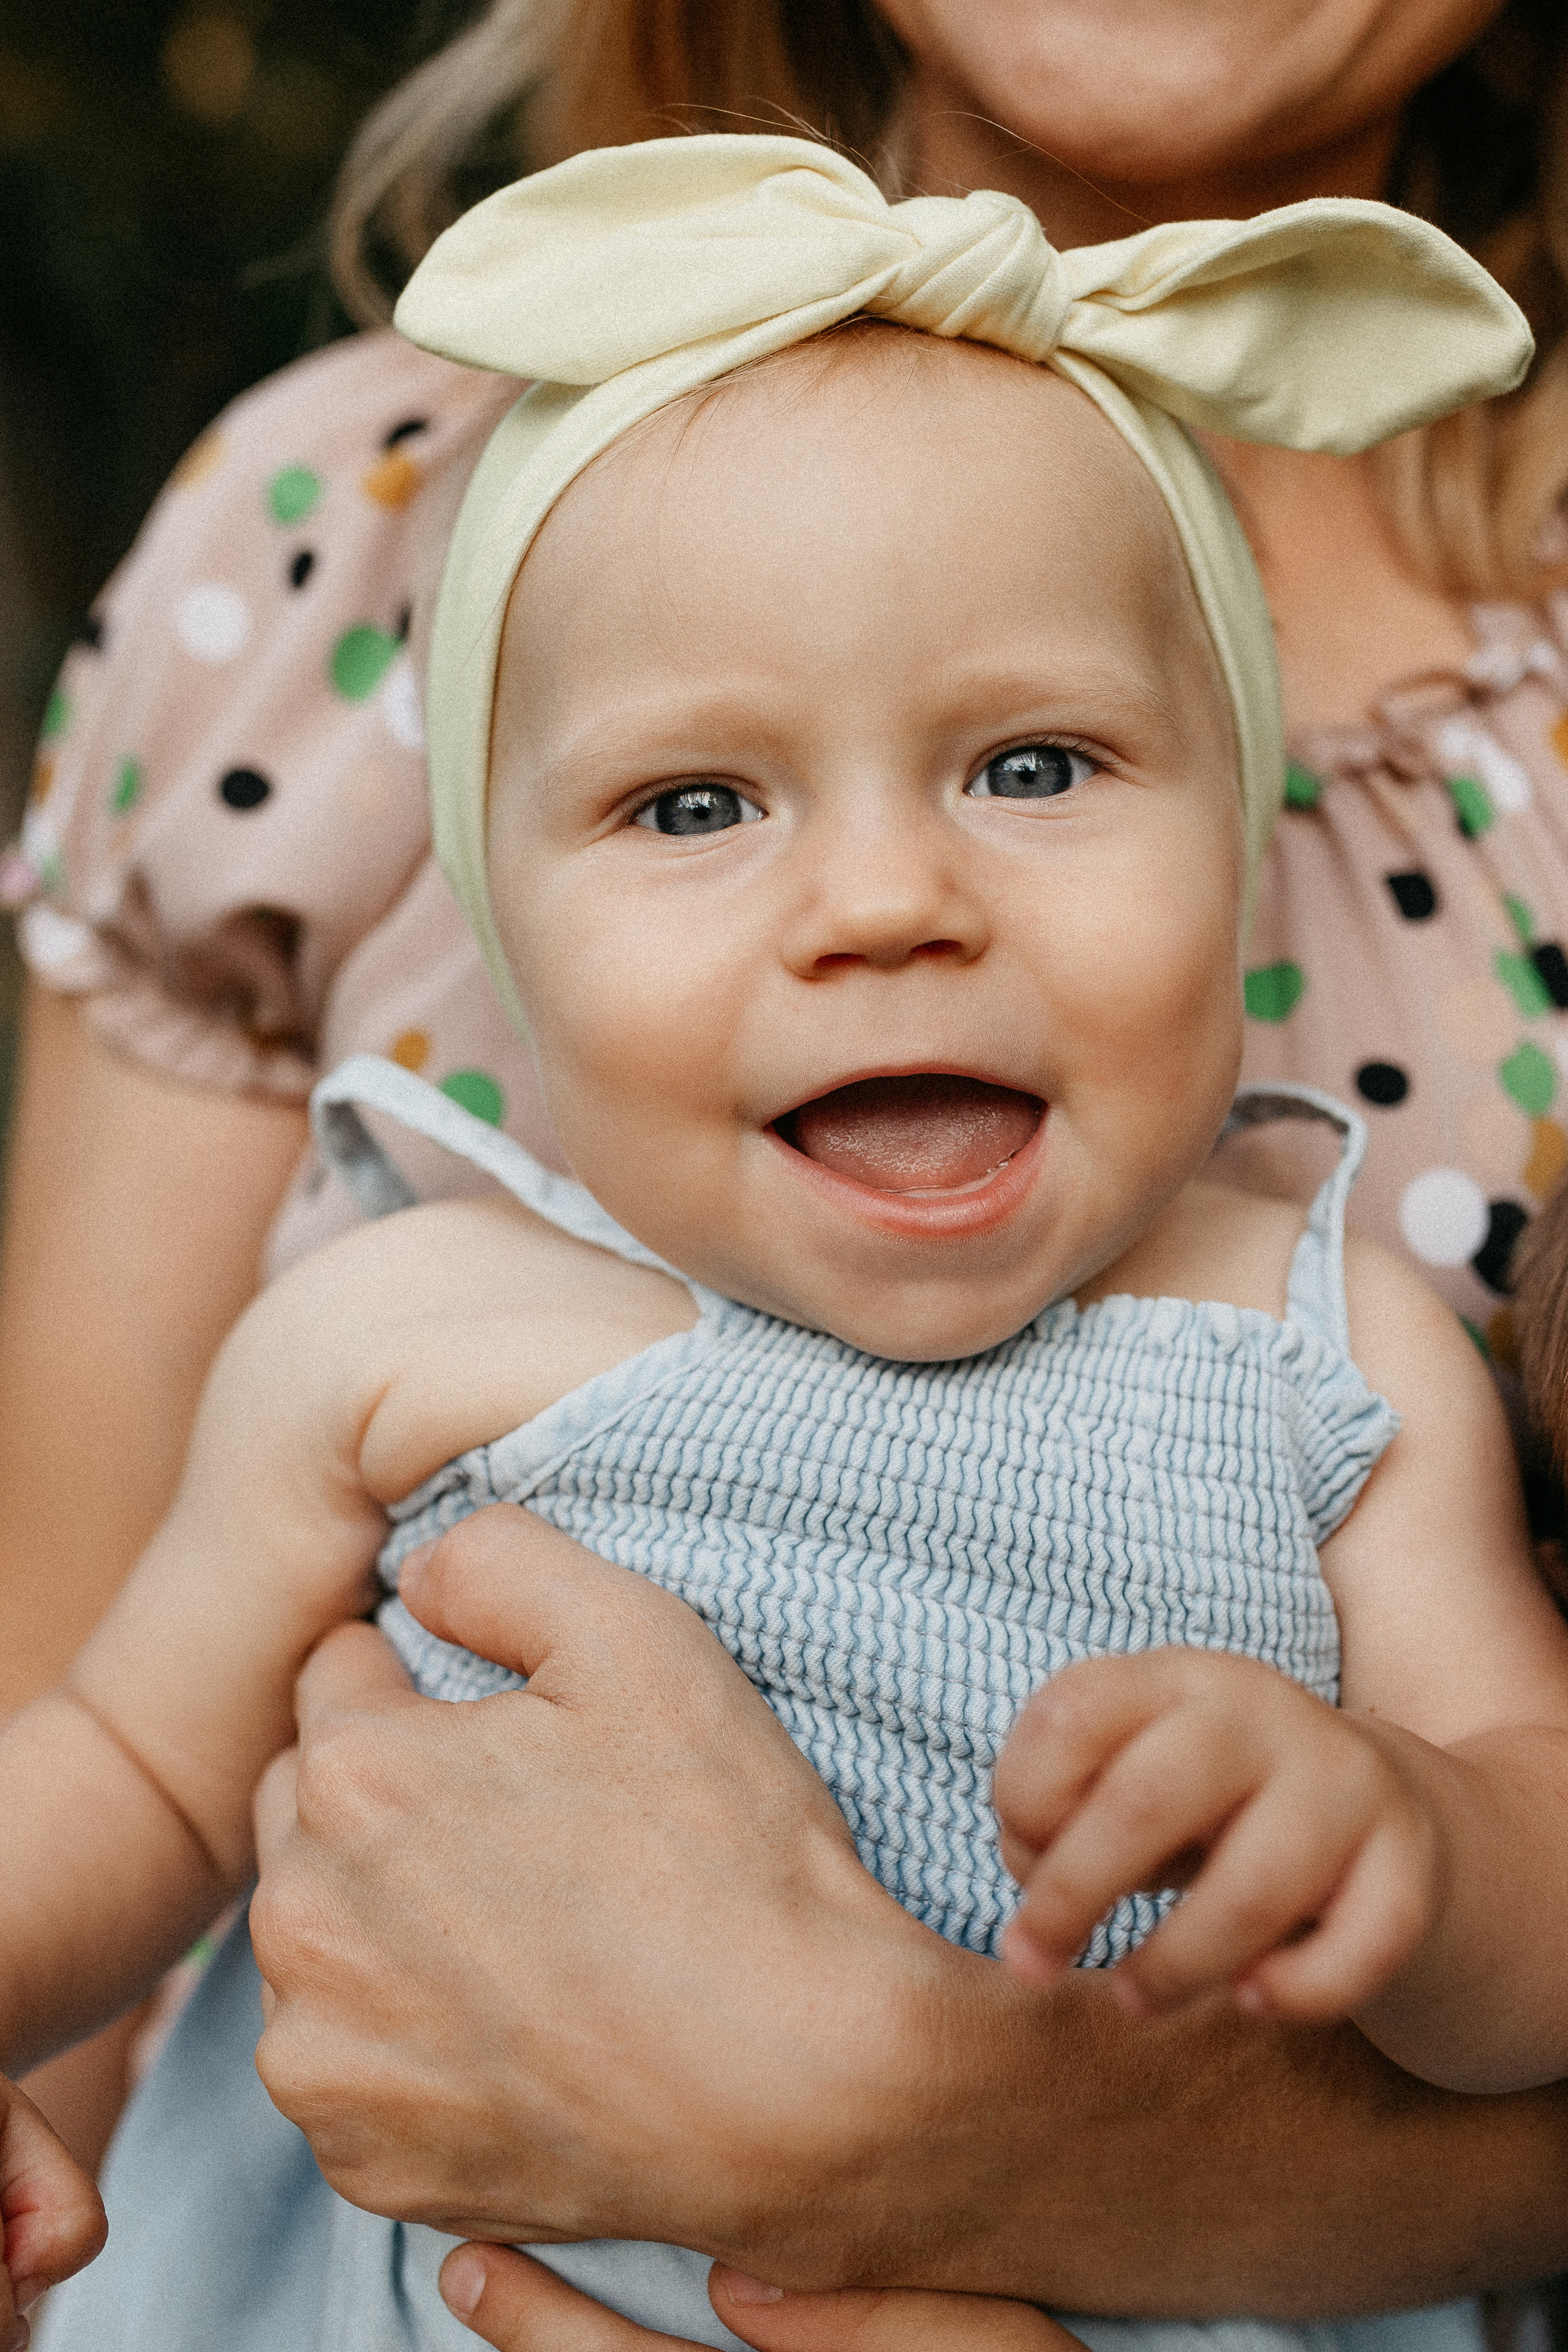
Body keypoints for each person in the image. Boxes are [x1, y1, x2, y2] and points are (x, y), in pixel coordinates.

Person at [9, 0, 1568, 2333]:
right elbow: (122, 1754)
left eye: (1036, 768)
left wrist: (1420, 1853)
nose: (882, 904)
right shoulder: (392, 1335)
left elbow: (1537, 1831)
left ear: (1242, 850)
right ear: (503, 935)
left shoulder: (1322, 1359)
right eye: (697, 807)